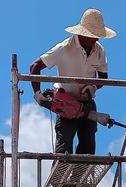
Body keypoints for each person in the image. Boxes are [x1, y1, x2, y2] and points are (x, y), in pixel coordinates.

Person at [30, 8, 116, 156]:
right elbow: (35, 67)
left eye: (97, 36)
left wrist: (92, 87)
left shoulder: (99, 51)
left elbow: (103, 78)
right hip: (66, 102)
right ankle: (61, 178)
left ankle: (78, 178)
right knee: (64, 148)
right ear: (82, 33)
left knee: (88, 146)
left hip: (87, 103)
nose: (95, 39)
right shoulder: (64, 48)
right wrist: (37, 94)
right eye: (93, 36)